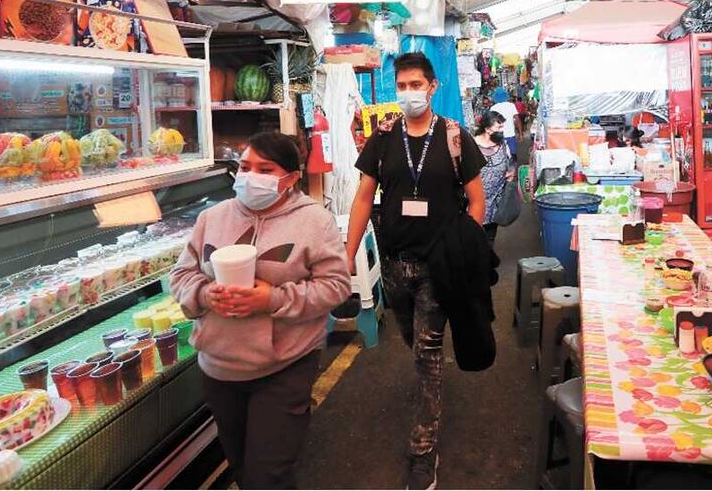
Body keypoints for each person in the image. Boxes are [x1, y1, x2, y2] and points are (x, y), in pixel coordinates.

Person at [170, 132, 351, 489]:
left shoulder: (314, 222)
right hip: (219, 368)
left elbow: (336, 286)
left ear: (291, 178)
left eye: (264, 169)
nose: (250, 176)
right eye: (244, 167)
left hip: (284, 365)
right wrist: (206, 295)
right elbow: (181, 275)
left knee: (268, 475)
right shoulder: (213, 217)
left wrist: (272, 299)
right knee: (240, 465)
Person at [345, 52, 486, 489]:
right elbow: (364, 198)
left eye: (415, 85)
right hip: (393, 263)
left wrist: (467, 247)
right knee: (409, 332)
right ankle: (417, 342)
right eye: (401, 86)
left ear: (432, 86)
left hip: (439, 265)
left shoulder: (455, 136)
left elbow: (477, 199)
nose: (408, 93)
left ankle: (423, 451)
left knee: (427, 351)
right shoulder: (383, 138)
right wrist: (346, 255)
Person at [473, 110, 514, 245]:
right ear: (487, 129)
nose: (502, 131)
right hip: (475, 201)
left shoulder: (503, 145)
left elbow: (509, 164)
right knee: (475, 237)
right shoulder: (472, 145)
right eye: (499, 127)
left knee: (490, 238)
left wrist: (511, 172)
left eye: (503, 127)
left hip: (496, 201)